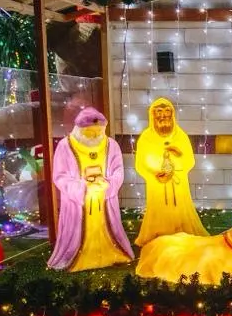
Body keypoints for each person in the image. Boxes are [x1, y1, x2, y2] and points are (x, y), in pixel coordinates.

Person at [47, 108, 133, 271]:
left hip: (104, 200)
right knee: (80, 231)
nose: (94, 136)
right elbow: (60, 176)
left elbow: (118, 171)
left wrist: (107, 184)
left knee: (107, 228)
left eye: (97, 131)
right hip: (78, 203)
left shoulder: (111, 145)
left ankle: (111, 251)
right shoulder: (66, 146)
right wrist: (82, 187)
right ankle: (77, 255)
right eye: (89, 132)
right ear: (79, 129)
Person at [134, 98, 207, 247]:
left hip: (177, 184)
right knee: (159, 210)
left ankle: (180, 233)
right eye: (159, 113)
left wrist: (178, 158)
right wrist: (154, 174)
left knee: (179, 209)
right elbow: (140, 164)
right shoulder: (146, 138)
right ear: (152, 116)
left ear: (172, 115)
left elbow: (190, 161)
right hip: (157, 185)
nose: (163, 117)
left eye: (167, 112)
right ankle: (158, 235)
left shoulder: (181, 136)